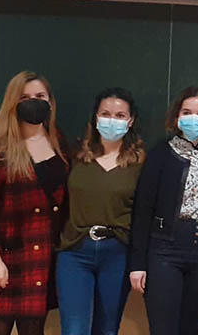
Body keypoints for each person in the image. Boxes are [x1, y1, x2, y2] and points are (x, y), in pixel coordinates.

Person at [0, 71, 70, 335]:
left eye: (40, 96)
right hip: (3, 256)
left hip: (41, 255)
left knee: (33, 329)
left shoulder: (58, 141)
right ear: (12, 103)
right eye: (25, 98)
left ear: (50, 101)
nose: (33, 102)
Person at [128, 86, 198, 335]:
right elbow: (142, 210)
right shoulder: (160, 153)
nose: (194, 117)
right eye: (187, 111)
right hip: (165, 251)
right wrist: (137, 263)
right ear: (177, 117)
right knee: (163, 328)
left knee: (190, 328)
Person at [56, 88, 145, 335]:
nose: (111, 120)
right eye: (105, 114)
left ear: (130, 120)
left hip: (117, 253)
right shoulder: (75, 155)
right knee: (74, 330)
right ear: (95, 118)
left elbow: (144, 213)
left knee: (107, 329)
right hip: (75, 251)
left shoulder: (140, 162)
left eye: (119, 115)